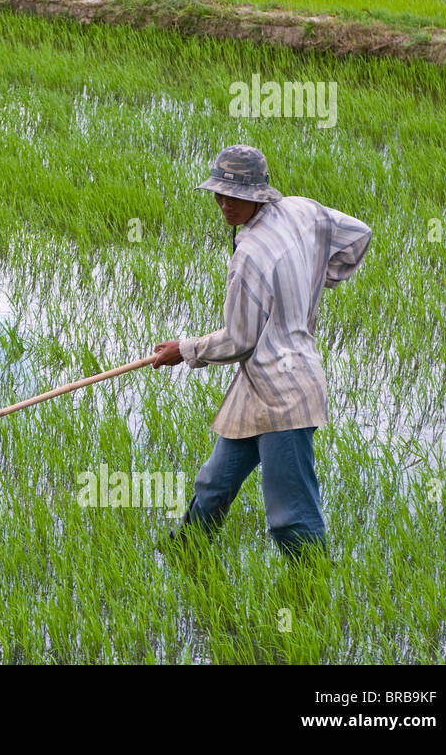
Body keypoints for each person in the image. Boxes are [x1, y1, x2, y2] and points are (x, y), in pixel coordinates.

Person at [152, 145, 371, 562]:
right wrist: (319, 278)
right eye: (217, 194)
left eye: (231, 195)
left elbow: (239, 341)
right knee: (214, 484)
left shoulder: (250, 256)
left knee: (290, 514)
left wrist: (184, 350)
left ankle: (311, 591)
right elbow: (358, 233)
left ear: (256, 193)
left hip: (287, 394)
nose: (222, 203)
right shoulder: (301, 210)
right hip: (256, 384)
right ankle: (187, 557)